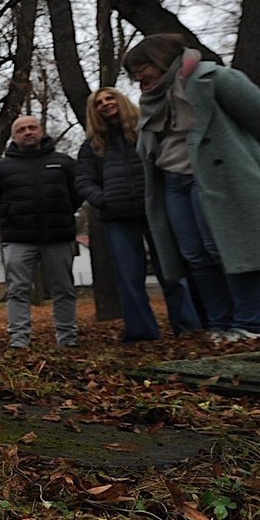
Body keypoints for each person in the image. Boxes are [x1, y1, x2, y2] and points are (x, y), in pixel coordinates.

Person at [126, 33, 260, 341]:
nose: (139, 75)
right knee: (195, 256)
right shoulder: (150, 100)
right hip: (172, 183)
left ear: (163, 58)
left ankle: (251, 325)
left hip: (213, 178)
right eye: (134, 71)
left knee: (228, 249)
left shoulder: (213, 77)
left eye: (143, 66)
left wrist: (241, 160)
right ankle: (219, 325)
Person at [76, 88, 201, 343]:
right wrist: (103, 200)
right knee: (129, 277)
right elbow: (83, 180)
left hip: (156, 211)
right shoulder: (93, 145)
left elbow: (168, 162)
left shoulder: (147, 131)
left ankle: (188, 328)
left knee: (173, 272)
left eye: (109, 98)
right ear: (94, 111)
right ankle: (142, 334)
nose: (105, 104)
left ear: (120, 100)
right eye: (99, 102)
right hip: (117, 217)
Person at [0, 114, 83, 349]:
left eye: (32, 127)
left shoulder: (64, 163)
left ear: (41, 131)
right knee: (17, 290)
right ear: (14, 137)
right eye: (21, 130)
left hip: (59, 236)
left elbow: (76, 195)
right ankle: (19, 340)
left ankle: (67, 339)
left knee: (64, 289)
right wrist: (9, 222)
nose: (28, 132)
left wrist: (61, 215)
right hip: (18, 239)